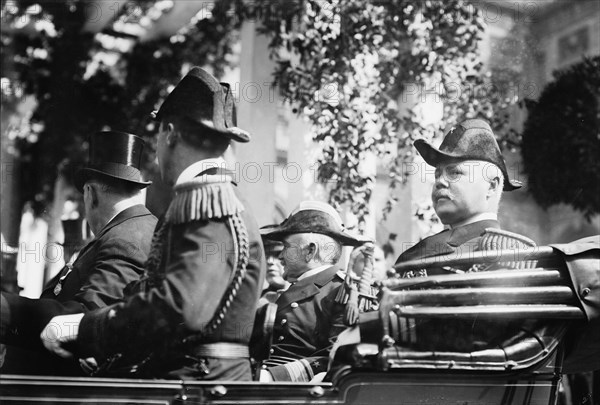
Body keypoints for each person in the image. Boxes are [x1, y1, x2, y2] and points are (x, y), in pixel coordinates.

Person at [40, 67, 266, 381]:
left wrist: (85, 328)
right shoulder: (207, 201)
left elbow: (179, 308)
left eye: (157, 133)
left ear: (170, 133)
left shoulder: (209, 205)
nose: (157, 148)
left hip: (197, 386)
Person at [0, 131, 157, 376]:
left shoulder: (124, 239)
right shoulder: (128, 231)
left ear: (90, 194)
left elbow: (84, 319)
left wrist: (6, 309)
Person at [395, 118, 527, 277]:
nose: (440, 182)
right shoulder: (422, 253)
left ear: (491, 186)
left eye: (454, 173)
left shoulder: (510, 255)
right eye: (437, 175)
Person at [258, 201, 366, 382]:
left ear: (310, 251)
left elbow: (338, 357)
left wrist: (272, 376)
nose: (280, 256)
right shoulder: (295, 289)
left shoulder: (344, 291)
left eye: (286, 247)